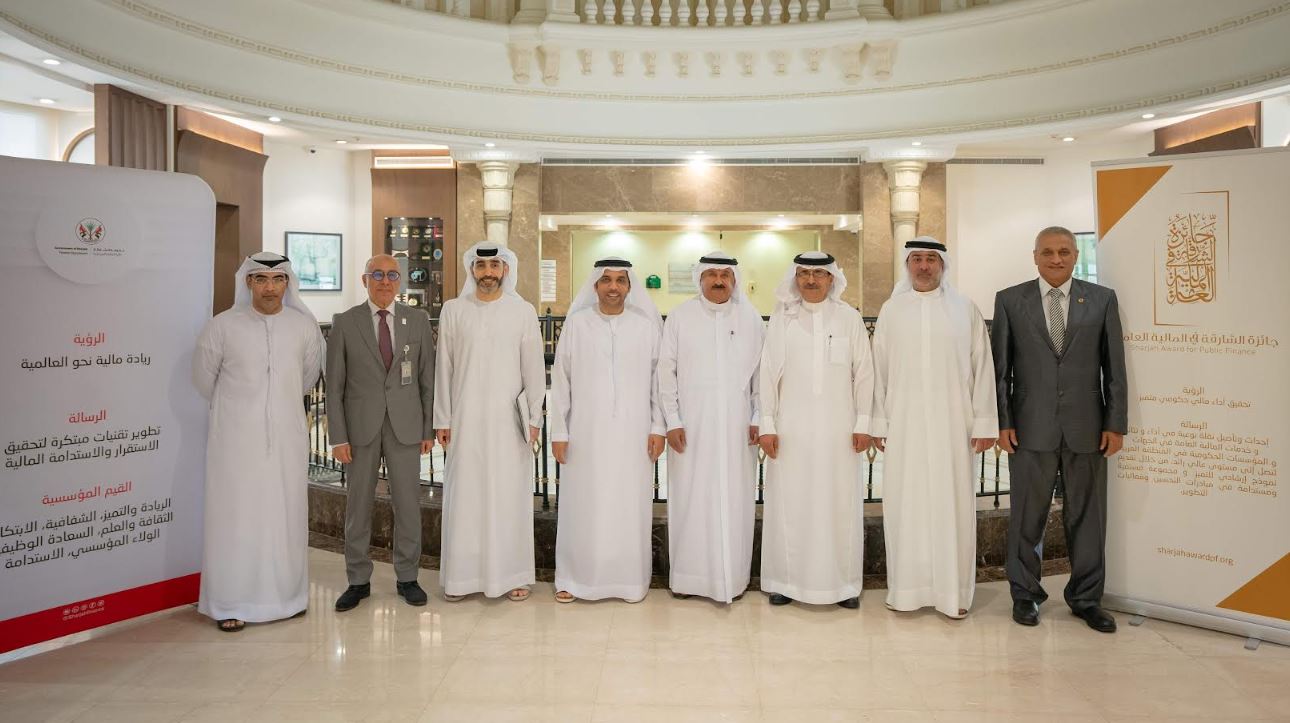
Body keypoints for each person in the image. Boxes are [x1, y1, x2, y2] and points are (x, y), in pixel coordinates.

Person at [992, 225, 1128, 633]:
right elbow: (1000, 372)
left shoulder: (1101, 299)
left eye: (1064, 252)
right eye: (1048, 252)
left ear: (1075, 255)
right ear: (1035, 256)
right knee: (1026, 516)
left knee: (1088, 517)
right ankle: (1025, 595)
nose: (1056, 259)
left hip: (1088, 427)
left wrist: (1115, 423)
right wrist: (1003, 422)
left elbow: (1114, 368)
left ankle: (1086, 599)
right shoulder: (1010, 300)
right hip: (1029, 427)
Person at [192, 252, 324, 633]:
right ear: (248, 282)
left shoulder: (303, 328)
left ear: (287, 283)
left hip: (286, 441)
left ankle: (288, 599)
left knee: (285, 517)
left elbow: (307, 378)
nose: (270, 288)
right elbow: (202, 380)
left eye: (278, 279)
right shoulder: (222, 327)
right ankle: (229, 603)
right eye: (262, 280)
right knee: (236, 518)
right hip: (234, 444)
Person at [871, 238, 998, 619]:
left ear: (942, 264)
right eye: (917, 259)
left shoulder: (964, 309)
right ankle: (905, 591)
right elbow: (879, 370)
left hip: (953, 425)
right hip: (904, 424)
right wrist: (878, 421)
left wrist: (985, 422)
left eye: (931, 259)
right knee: (905, 505)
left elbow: (982, 366)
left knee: (952, 504)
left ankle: (952, 593)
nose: (924, 266)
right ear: (907, 264)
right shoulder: (892, 310)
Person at [758, 251, 874, 609]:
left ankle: (843, 585)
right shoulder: (783, 318)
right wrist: (767, 424)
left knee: (840, 505)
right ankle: (784, 581)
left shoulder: (849, 318)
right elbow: (767, 374)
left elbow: (864, 373)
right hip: (791, 430)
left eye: (818, 274)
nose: (810, 280)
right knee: (790, 503)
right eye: (804, 274)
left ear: (831, 279)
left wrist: (863, 423)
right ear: (795, 278)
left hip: (840, 431)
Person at [433, 242, 546, 602]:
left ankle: (512, 575)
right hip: (465, 420)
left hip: (509, 423)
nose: (487, 273)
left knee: (508, 495)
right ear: (472, 270)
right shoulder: (453, 310)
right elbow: (444, 367)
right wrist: (442, 418)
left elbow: (534, 368)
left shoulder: (523, 311)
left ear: (505, 270)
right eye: (481, 266)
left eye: (494, 266)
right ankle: (461, 578)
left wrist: (534, 417)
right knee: (466, 497)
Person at [549, 257, 666, 603]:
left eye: (620, 280)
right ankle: (574, 578)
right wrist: (559, 431)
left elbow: (658, 382)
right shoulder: (577, 324)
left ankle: (628, 582)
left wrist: (658, 426)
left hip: (634, 433)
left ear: (629, 287)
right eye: (606, 280)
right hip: (585, 434)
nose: (613, 287)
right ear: (595, 286)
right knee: (583, 504)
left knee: (628, 505)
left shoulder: (645, 326)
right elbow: (561, 381)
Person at [326, 254, 435, 611]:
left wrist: (427, 428)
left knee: (408, 505)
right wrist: (338, 436)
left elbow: (427, 380)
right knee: (358, 505)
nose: (385, 281)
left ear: (399, 280)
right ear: (365, 280)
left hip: (405, 427)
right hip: (360, 429)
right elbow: (334, 386)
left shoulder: (417, 320)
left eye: (391, 275)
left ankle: (408, 577)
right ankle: (357, 580)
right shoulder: (346, 322)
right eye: (377, 275)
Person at [657, 251, 765, 604]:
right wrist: (672, 420)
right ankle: (689, 579)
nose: (719, 281)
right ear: (700, 278)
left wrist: (757, 417)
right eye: (712, 275)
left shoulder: (750, 319)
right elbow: (666, 373)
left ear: (734, 280)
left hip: (738, 428)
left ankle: (733, 579)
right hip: (691, 426)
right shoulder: (680, 317)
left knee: (735, 500)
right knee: (691, 498)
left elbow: (760, 376)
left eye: (725, 275)